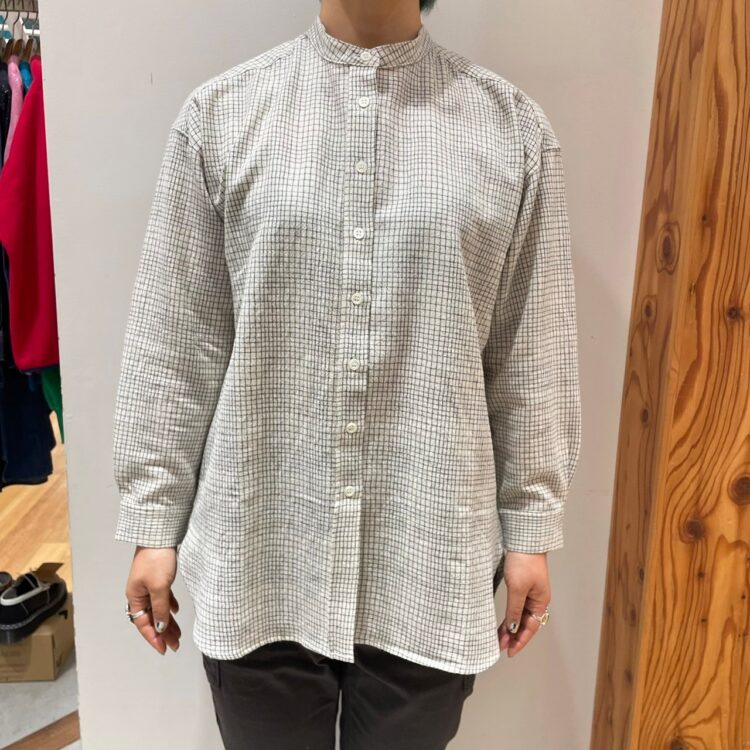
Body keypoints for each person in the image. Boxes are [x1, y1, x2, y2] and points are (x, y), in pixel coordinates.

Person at [112, 0, 582, 747]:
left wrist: (531, 524)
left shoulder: (512, 131)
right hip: (263, 553)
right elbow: (177, 340)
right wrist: (152, 520)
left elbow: (530, 352)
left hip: (426, 558)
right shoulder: (221, 117)